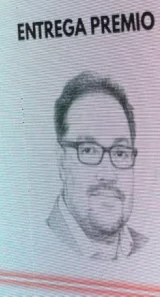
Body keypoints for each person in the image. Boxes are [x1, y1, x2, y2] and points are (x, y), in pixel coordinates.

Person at [47, 71, 147, 261]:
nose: (108, 174)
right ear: (61, 161)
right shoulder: (36, 243)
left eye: (120, 152)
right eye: (89, 150)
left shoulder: (148, 249)